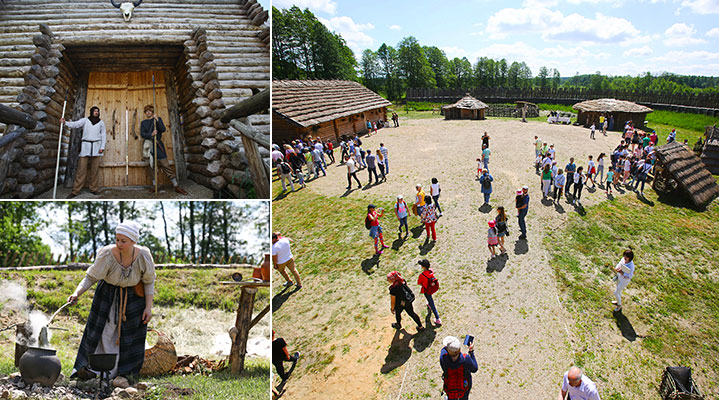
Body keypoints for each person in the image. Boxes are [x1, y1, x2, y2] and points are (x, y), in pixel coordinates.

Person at [68, 221, 155, 380]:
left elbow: (149, 281)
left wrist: (148, 307)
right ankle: (94, 371)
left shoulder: (143, 255)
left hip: (134, 298)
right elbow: (91, 277)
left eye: (124, 241)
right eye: (117, 239)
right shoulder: (107, 254)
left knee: (130, 336)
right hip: (107, 296)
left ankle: (124, 374)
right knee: (104, 332)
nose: (119, 244)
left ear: (133, 241)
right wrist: (76, 293)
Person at [140, 105, 188, 195]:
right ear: (145, 113)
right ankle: (155, 186)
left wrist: (157, 119)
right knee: (151, 167)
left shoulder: (158, 119)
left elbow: (163, 129)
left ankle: (176, 186)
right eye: (146, 111)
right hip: (149, 147)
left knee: (166, 165)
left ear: (152, 111)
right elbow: (142, 134)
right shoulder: (143, 122)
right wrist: (151, 134)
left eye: (149, 111)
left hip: (158, 145)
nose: (148, 112)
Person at [61, 106, 106, 198]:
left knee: (94, 170)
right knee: (81, 170)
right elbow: (75, 124)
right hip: (86, 146)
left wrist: (102, 147)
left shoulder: (101, 123)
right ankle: (75, 191)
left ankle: (94, 189)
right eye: (95, 111)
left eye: (97, 111)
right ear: (91, 112)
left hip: (96, 147)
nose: (96, 112)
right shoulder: (85, 120)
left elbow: (103, 135)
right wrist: (65, 122)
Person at [440, 336, 477, 400]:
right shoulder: (465, 358)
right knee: (464, 396)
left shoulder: (443, 358)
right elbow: (475, 368)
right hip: (464, 383)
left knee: (451, 394)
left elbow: (443, 350)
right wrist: (471, 351)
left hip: (450, 382)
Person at [416, 259, 441, 326]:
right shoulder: (431, 271)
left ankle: (437, 318)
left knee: (431, 302)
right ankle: (429, 304)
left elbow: (419, 283)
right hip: (432, 288)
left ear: (423, 267)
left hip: (426, 290)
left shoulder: (422, 275)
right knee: (429, 299)